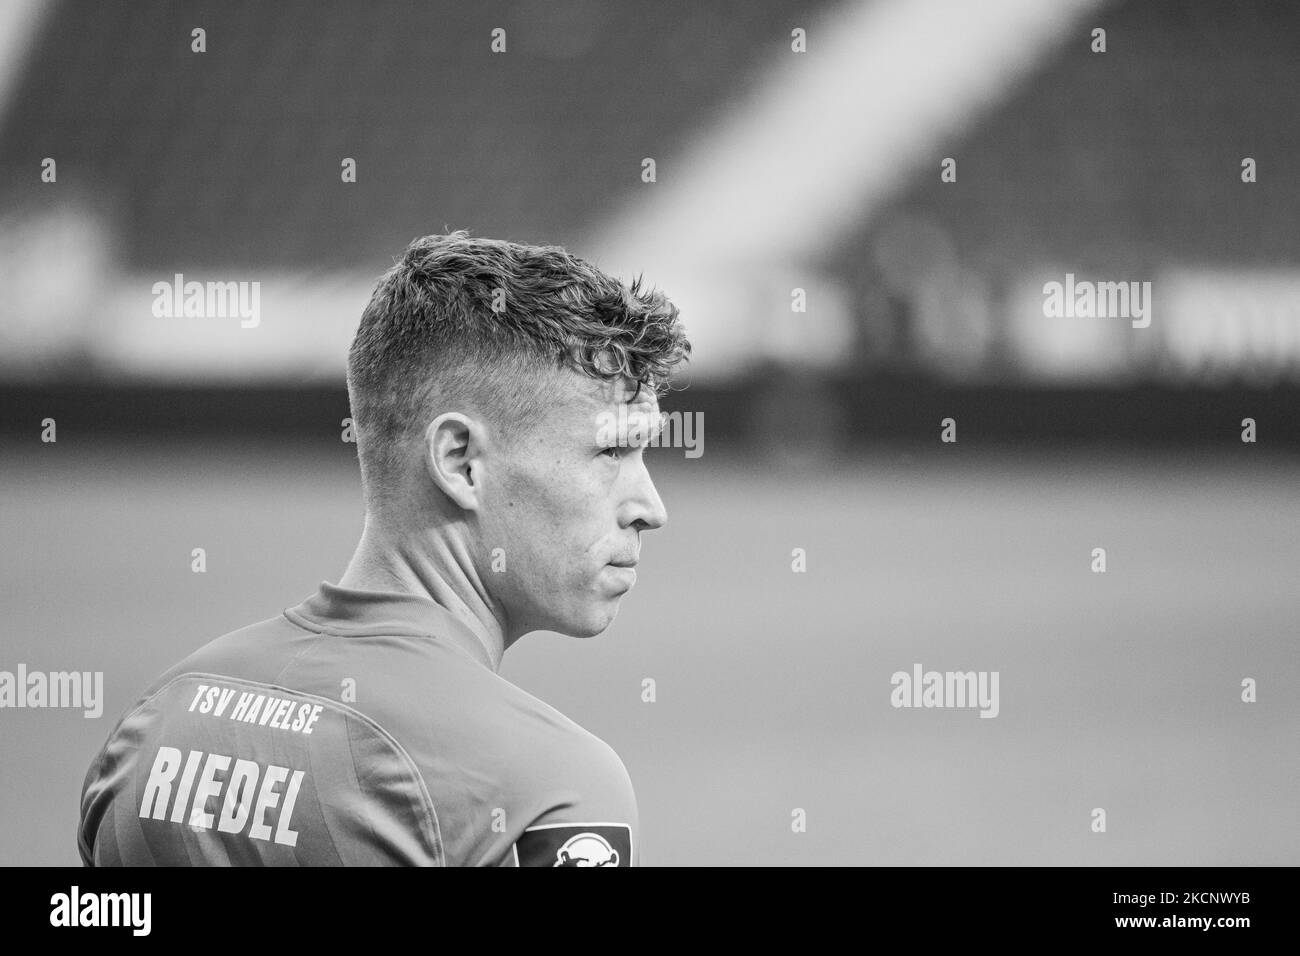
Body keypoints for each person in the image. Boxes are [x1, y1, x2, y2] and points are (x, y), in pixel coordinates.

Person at [78, 231, 690, 866]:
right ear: (461, 462)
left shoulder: (157, 722)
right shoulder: (548, 790)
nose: (650, 507)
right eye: (612, 451)